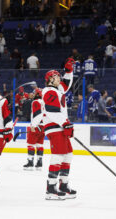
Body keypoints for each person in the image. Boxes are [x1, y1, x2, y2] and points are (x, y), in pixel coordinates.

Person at [42, 58, 77, 200]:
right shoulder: (48, 90)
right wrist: (65, 123)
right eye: (57, 76)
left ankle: (63, 185)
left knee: (68, 154)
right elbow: (51, 111)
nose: (59, 78)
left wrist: (68, 71)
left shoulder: (57, 90)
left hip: (61, 126)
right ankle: (50, 189)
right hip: (55, 127)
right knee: (58, 155)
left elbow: (66, 84)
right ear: (50, 79)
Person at [23, 88, 45, 171]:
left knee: (31, 144)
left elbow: (37, 114)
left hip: (37, 125)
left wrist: (33, 125)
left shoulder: (36, 102)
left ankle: (30, 162)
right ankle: (39, 163)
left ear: (37, 94)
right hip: (43, 126)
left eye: (34, 93)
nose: (32, 94)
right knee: (39, 144)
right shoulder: (44, 102)